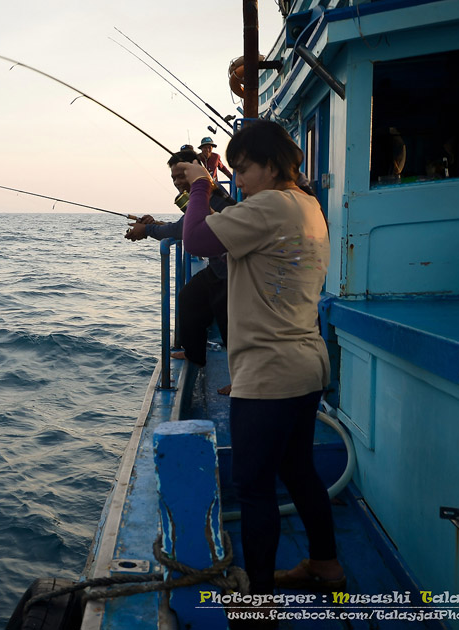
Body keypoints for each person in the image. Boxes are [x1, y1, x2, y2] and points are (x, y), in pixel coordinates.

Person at [179, 120, 343, 605]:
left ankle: (260, 601)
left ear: (271, 166)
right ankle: (325, 565)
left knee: (254, 489)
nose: (240, 180)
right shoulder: (307, 206)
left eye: (245, 169)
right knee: (298, 471)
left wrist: (200, 186)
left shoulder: (269, 205)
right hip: (306, 364)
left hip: (269, 374)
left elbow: (197, 241)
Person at [124, 150, 230, 376]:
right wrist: (154, 225)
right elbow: (186, 224)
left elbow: (183, 230)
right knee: (189, 296)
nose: (178, 182)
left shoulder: (213, 195)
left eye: (182, 175)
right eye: (174, 178)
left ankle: (241, 378)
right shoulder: (200, 197)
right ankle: (194, 353)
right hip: (218, 267)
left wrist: (148, 231)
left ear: (197, 168)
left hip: (231, 272)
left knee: (228, 320)